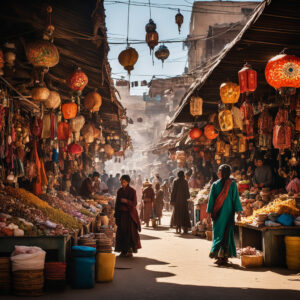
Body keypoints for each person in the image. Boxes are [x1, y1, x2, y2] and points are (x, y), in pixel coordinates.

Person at [207, 164, 242, 266]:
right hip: (225, 214)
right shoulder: (231, 185)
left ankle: (221, 257)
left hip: (221, 215)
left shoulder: (219, 185)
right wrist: (238, 213)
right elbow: (236, 200)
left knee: (220, 234)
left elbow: (211, 201)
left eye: (219, 171)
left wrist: (209, 215)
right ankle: (223, 257)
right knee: (223, 234)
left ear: (224, 173)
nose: (218, 173)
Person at [114, 175, 141, 257]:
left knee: (130, 233)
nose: (122, 184)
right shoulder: (119, 191)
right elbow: (117, 203)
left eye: (124, 182)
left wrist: (126, 201)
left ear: (128, 182)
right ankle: (123, 250)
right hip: (122, 215)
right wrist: (116, 213)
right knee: (122, 232)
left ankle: (130, 250)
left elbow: (134, 203)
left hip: (130, 215)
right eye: (121, 182)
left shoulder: (132, 191)